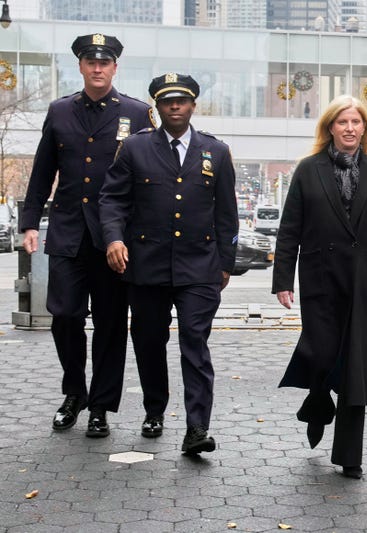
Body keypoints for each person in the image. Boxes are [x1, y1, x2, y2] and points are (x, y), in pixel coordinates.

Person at [19, 34, 155, 438]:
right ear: (80, 66)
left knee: (111, 324)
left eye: (105, 62)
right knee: (64, 317)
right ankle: (74, 393)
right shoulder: (60, 111)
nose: (97, 68)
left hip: (115, 240)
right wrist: (29, 221)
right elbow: (44, 169)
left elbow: (147, 179)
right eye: (90, 61)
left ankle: (101, 406)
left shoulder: (137, 112)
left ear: (115, 67)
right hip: (67, 233)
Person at [99, 74, 238, 454]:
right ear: (157, 108)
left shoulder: (217, 151)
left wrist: (225, 263)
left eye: (182, 101)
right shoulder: (134, 148)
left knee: (195, 342)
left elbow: (227, 214)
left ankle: (197, 428)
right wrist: (113, 238)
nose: (175, 107)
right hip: (147, 266)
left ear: (193, 105)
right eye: (167, 102)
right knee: (148, 341)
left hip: (199, 267)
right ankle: (154, 409)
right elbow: (112, 200)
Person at [272, 94, 367, 479]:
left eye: (357, 122)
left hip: (366, 285)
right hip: (320, 281)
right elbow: (289, 230)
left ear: (364, 129)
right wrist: (283, 280)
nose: (350, 128)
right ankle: (317, 399)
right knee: (321, 355)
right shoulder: (308, 169)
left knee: (357, 369)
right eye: (343, 122)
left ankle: (350, 456)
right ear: (330, 127)